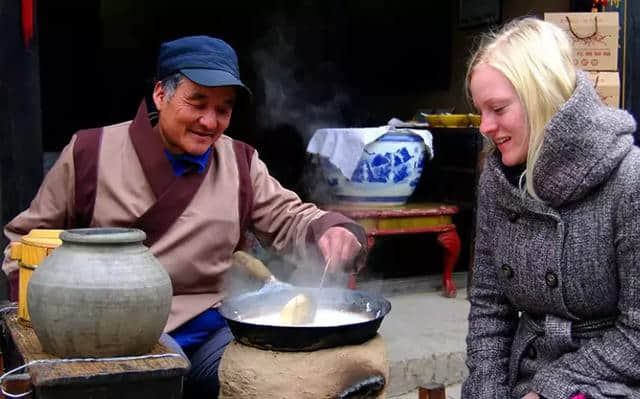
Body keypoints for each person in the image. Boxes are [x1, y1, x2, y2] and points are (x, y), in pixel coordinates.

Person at [2, 35, 365, 397]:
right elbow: (25, 242)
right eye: (197, 102)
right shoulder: (90, 153)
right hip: (113, 332)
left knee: (277, 382)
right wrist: (43, 321)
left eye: (224, 109)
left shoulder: (240, 162)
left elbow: (288, 217)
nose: (210, 121)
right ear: (161, 95)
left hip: (213, 327)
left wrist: (328, 230)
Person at [462, 17, 640, 399]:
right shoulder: (497, 180)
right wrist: (485, 391)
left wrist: (550, 389)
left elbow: (638, 335)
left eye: (498, 109)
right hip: (525, 375)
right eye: (481, 111)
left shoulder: (630, 179)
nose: (485, 127)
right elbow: (490, 310)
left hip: (613, 379)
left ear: (540, 96)